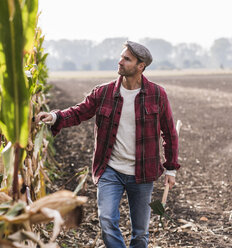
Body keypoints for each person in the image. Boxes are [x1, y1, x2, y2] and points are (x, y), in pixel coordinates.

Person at [35, 41, 180, 248]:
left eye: (126, 59)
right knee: (106, 221)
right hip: (110, 169)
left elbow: (169, 133)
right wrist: (54, 116)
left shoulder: (157, 94)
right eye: (121, 56)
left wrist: (171, 168)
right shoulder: (103, 92)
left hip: (142, 173)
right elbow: (79, 112)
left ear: (141, 66)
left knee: (140, 233)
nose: (120, 61)